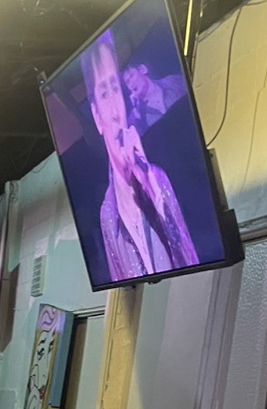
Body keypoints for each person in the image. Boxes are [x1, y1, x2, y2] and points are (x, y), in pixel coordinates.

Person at [82, 30, 197, 282]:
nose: (115, 112)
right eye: (104, 94)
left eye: (116, 89)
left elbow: (189, 260)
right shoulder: (107, 215)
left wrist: (148, 182)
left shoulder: (157, 180)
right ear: (97, 117)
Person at [122, 61, 187, 132]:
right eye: (128, 82)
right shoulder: (135, 117)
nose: (131, 83)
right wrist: (138, 115)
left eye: (132, 76)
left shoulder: (173, 82)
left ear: (142, 70)